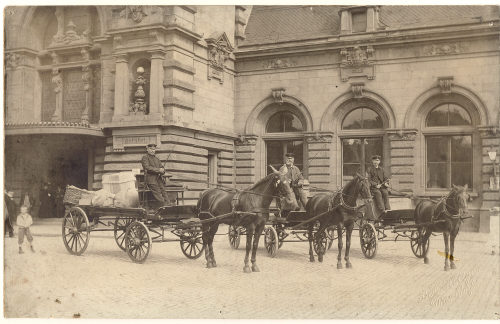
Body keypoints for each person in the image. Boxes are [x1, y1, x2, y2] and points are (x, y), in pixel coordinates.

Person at [141, 143, 172, 207]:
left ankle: (169, 205)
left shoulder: (157, 159)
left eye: (154, 149)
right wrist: (159, 170)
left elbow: (162, 168)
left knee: (164, 191)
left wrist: (163, 170)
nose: (153, 150)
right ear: (147, 149)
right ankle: (163, 207)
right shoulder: (145, 158)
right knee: (158, 193)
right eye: (151, 149)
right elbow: (147, 168)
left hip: (159, 179)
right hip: (151, 180)